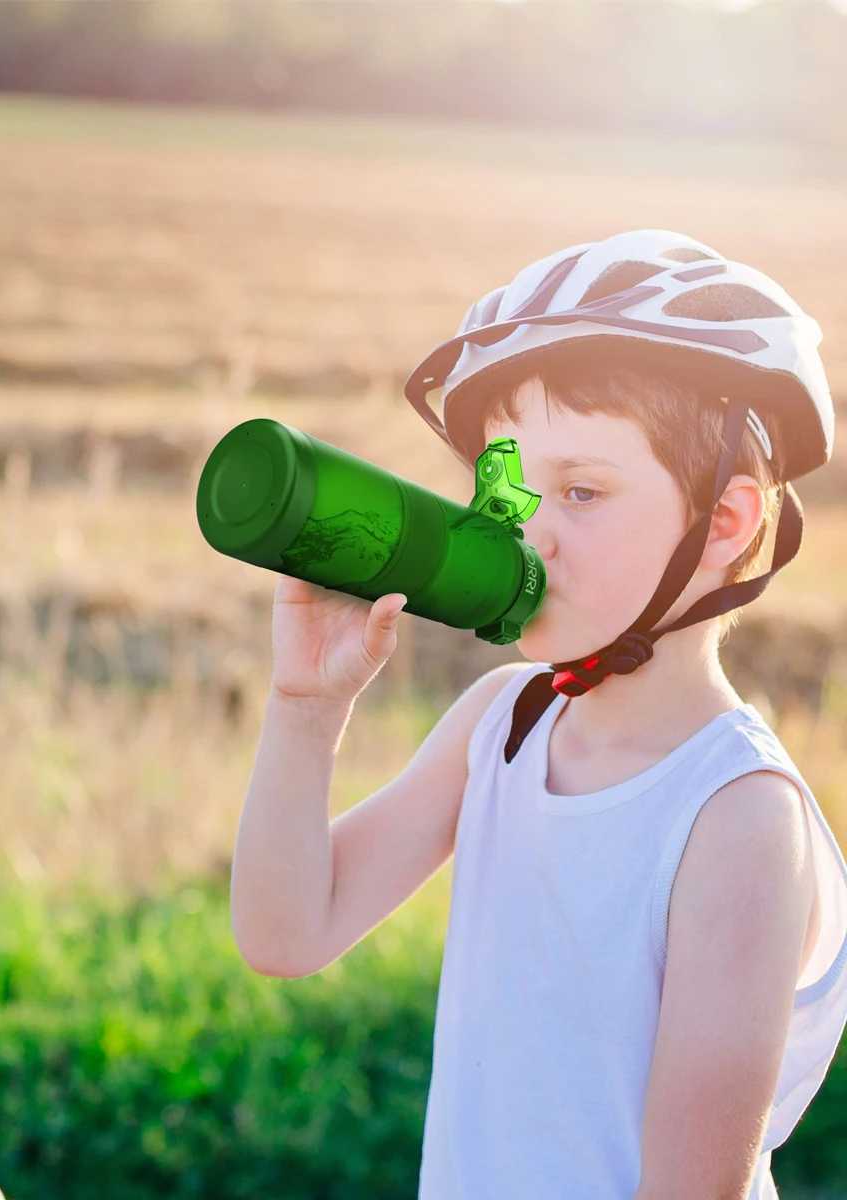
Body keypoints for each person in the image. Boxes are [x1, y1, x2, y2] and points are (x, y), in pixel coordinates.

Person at [229, 229, 847, 1200]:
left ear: (723, 524)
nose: (530, 533)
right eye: (510, 487)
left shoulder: (735, 818)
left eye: (584, 491)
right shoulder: (504, 722)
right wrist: (306, 708)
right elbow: (286, 933)